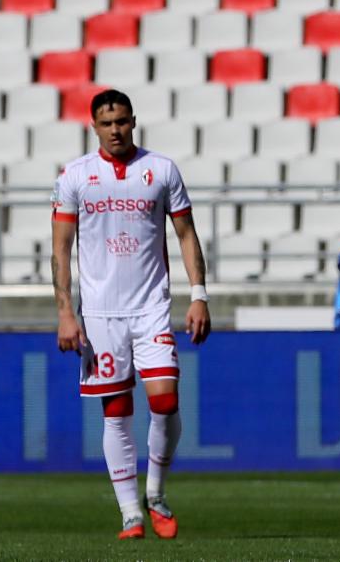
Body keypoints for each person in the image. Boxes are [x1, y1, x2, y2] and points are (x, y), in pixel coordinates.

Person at [50, 89, 211, 541]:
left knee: (164, 401)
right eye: (107, 123)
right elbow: (61, 249)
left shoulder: (161, 170)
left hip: (151, 307)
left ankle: (155, 493)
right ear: (94, 126)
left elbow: (186, 235)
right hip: (99, 312)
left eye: (122, 121)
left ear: (133, 121)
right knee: (116, 411)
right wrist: (66, 312)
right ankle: (130, 514)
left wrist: (199, 295)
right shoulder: (76, 177)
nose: (116, 129)